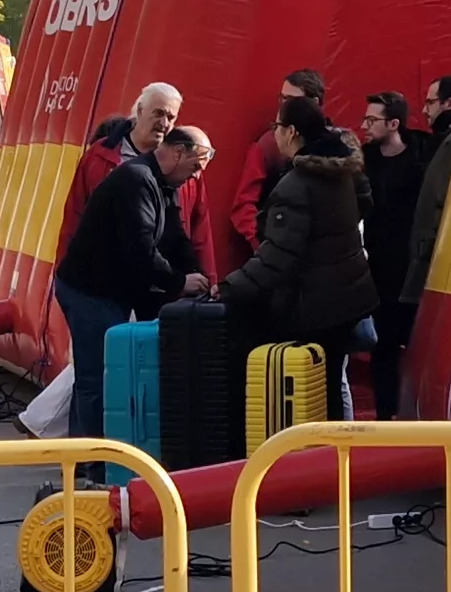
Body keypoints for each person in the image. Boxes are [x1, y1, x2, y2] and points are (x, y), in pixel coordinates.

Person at [51, 118, 210, 456]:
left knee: (102, 373)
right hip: (88, 288)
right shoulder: (136, 180)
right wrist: (179, 282)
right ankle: (92, 461)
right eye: (196, 166)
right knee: (98, 376)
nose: (197, 175)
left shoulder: (162, 183)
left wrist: (200, 276)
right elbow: (140, 250)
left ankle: (92, 456)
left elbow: (176, 238)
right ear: (178, 153)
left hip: (111, 288)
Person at [222, 95, 376, 420]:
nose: (274, 133)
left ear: (291, 132)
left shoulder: (297, 183)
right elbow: (365, 203)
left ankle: (316, 462)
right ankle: (338, 461)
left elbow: (279, 254)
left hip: (315, 303)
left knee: (310, 391)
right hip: (348, 295)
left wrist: (230, 286)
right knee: (333, 383)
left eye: (277, 126)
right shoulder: (343, 169)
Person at [210, 69, 329, 287]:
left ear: (313, 102)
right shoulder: (268, 146)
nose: (283, 105)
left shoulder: (337, 149)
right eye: (282, 98)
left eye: (291, 99)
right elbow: (243, 204)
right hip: (279, 264)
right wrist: (264, 244)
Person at [355, 91, 430, 417]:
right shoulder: (363, 161)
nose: (364, 126)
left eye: (372, 120)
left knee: (416, 344)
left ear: (394, 123)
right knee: (382, 348)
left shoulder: (421, 160)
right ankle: (386, 417)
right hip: (376, 269)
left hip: (413, 269)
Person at [54, 81, 180, 261]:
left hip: (151, 277)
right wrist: (64, 267)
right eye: (158, 113)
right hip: (94, 270)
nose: (164, 123)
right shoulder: (99, 154)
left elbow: (195, 231)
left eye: (171, 117)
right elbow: (75, 213)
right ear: (140, 111)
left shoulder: (178, 166)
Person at [401, 74, 451, 312]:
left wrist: (425, 248)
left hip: (432, 261)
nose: (423, 110)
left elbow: (443, 200)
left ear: (448, 104)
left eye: (430, 102)